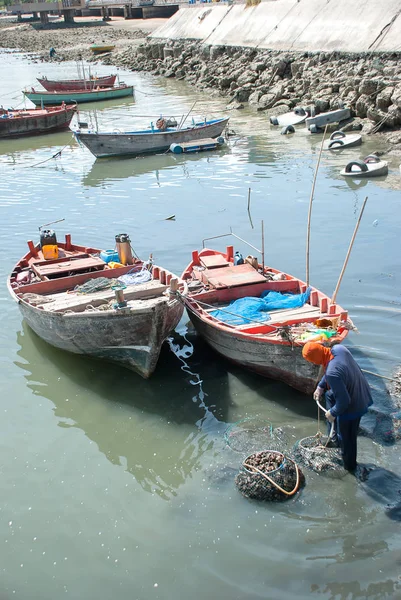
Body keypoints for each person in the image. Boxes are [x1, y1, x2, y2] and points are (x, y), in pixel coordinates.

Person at [302, 342, 373, 473]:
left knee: (348, 439)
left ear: (317, 358)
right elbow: (331, 373)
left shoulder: (332, 372)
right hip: (362, 391)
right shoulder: (339, 349)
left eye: (312, 361)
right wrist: (320, 386)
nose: (313, 364)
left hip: (353, 406)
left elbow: (344, 401)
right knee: (329, 394)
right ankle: (333, 436)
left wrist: (332, 413)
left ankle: (350, 467)